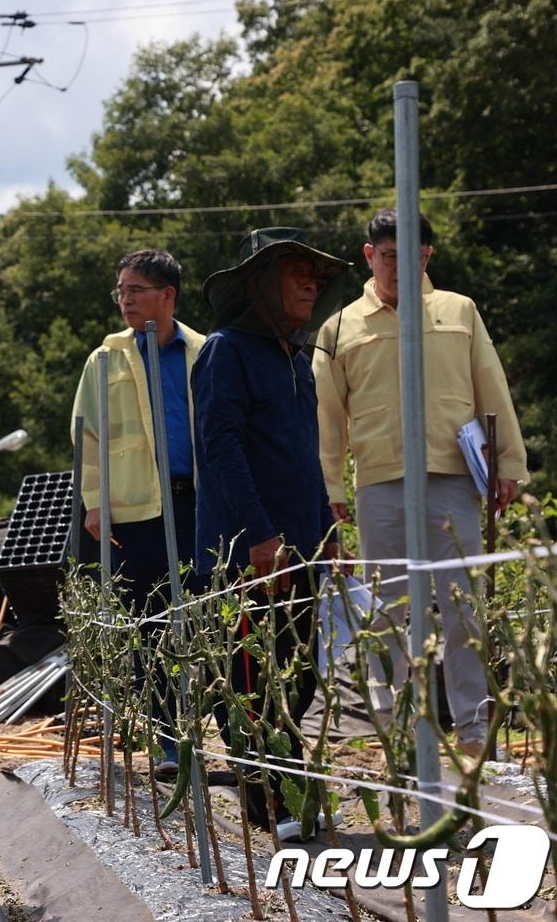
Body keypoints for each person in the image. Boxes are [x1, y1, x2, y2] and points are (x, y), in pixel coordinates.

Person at [314, 209, 528, 759]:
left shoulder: (459, 311)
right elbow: (326, 417)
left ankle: (475, 729)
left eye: (412, 256)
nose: (399, 268)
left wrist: (508, 465)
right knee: (386, 608)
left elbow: (491, 387)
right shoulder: (338, 329)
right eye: (389, 257)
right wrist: (330, 486)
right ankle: (397, 726)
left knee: (463, 604)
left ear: (428, 256)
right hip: (380, 483)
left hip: (454, 477)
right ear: (369, 256)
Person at [193, 227, 349, 832]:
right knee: (254, 676)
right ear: (261, 282)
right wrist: (258, 533)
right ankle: (274, 801)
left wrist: (324, 527)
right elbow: (220, 445)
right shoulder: (225, 351)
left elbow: (303, 453)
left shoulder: (296, 359)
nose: (311, 283)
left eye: (316, 274)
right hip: (248, 551)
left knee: (301, 673)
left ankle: (278, 791)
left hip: (299, 546)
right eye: (296, 272)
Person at [71, 249, 205, 779]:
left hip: (197, 502)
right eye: (120, 291)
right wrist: (95, 502)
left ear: (167, 296)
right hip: (137, 510)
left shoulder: (203, 351)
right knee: (151, 628)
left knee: (202, 618)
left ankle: (222, 730)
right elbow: (89, 436)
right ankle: (168, 742)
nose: (125, 300)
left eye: (136, 290)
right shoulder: (105, 359)